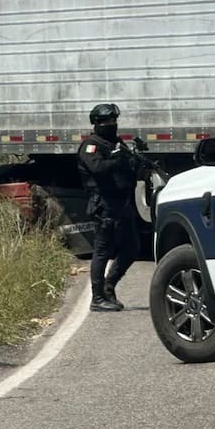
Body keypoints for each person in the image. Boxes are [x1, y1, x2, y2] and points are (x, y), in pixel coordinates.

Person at [77, 103, 140, 312]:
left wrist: (135, 158)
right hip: (104, 204)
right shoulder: (91, 146)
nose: (111, 125)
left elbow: (129, 169)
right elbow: (97, 168)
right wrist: (116, 158)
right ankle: (97, 298)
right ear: (96, 124)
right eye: (106, 121)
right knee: (102, 250)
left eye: (113, 121)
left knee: (132, 248)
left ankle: (109, 285)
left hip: (123, 203)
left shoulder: (117, 143)